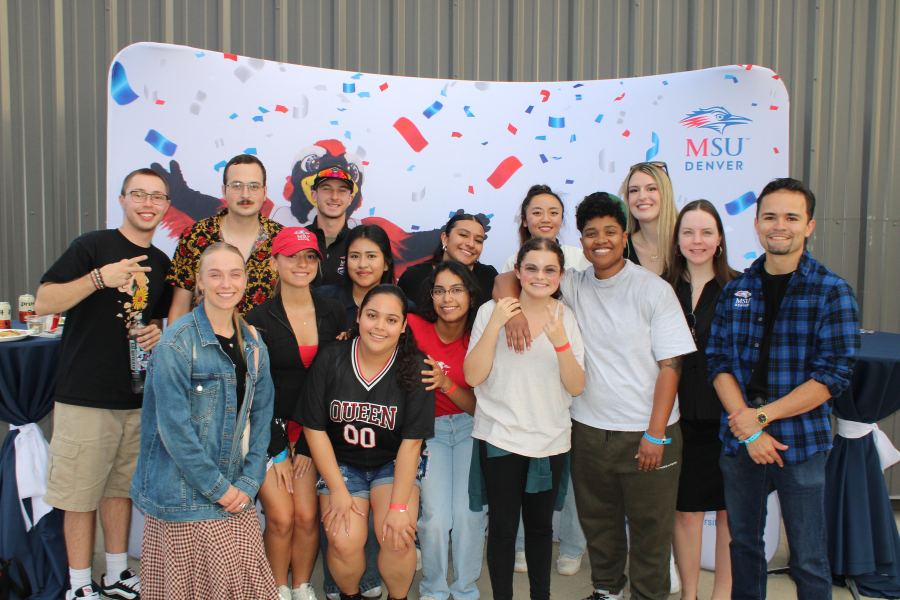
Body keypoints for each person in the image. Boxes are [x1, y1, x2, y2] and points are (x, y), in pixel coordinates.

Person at [494, 192, 695, 600]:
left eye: (609, 232)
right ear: (581, 242)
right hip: (588, 430)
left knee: (650, 531)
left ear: (625, 236)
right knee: (599, 524)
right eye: (590, 234)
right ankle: (607, 590)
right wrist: (510, 310)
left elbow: (672, 367)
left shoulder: (654, 290)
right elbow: (507, 280)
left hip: (648, 432)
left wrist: (656, 434)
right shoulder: (574, 285)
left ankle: (648, 595)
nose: (600, 240)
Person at [707, 178, 860, 600]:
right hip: (741, 442)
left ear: (809, 226)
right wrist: (751, 430)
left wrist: (761, 419)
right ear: (756, 223)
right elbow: (717, 361)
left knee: (810, 558)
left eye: (791, 217)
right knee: (745, 547)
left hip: (801, 443)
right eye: (770, 216)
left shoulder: (832, 292)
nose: (780, 226)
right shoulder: (736, 289)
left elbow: (832, 376)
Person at [35, 168, 174, 600]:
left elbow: (153, 319)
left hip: (135, 397)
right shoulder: (92, 246)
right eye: (139, 195)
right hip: (86, 396)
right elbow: (43, 301)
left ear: (167, 205)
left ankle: (116, 574)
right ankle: (79, 586)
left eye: (157, 197)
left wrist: (156, 331)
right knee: (80, 495)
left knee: (119, 490)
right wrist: (99, 278)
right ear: (122, 199)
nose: (148, 203)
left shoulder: (163, 263)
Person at [130, 242, 276, 599]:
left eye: (234, 274)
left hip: (235, 491)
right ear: (199, 281)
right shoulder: (175, 344)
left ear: (245, 280)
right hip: (184, 496)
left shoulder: (255, 344)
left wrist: (249, 482)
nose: (226, 283)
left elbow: (261, 419)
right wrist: (221, 490)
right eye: (215, 274)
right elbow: (174, 431)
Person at [465, 237, 585, 600]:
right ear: (517, 271)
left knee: (539, 530)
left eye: (550, 270)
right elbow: (472, 376)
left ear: (561, 275)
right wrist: (496, 322)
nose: (539, 276)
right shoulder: (491, 311)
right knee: (501, 529)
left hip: (550, 441)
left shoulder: (567, 318)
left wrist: (561, 342)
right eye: (531, 268)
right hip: (499, 436)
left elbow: (576, 386)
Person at [299, 285, 435, 600]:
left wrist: (399, 507)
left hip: (392, 462)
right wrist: (338, 490)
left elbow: (411, 444)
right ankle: (350, 596)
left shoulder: (417, 365)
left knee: (397, 537)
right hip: (343, 463)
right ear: (359, 316)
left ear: (403, 327)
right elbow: (315, 429)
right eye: (372, 315)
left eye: (391, 320)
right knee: (344, 539)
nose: (379, 326)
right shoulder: (332, 357)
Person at [245, 228, 345, 600]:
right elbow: (256, 390)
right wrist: (277, 448)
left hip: (314, 431)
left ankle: (302, 586)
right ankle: (277, 588)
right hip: (268, 432)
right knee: (282, 517)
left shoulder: (333, 312)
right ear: (274, 262)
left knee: (305, 516)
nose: (301, 264)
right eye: (291, 256)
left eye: (309, 257)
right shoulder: (258, 317)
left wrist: (305, 442)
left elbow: (334, 382)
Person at [500, 184, 589, 576]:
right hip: (533, 378)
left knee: (572, 472)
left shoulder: (578, 257)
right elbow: (504, 284)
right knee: (523, 467)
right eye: (537, 211)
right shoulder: (512, 259)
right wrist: (516, 312)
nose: (546, 218)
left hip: (576, 369)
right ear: (525, 218)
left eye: (554, 211)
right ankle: (521, 544)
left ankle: (571, 546)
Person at [664, 201, 739, 600]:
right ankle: (689, 594)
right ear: (677, 240)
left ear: (720, 239)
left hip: (729, 421)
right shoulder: (661, 287)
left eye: (706, 232)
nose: (697, 241)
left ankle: (722, 594)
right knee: (686, 512)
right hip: (678, 419)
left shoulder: (741, 288)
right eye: (688, 233)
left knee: (730, 515)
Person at [407, 261, 486, 600]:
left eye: (456, 289)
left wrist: (446, 384)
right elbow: (374, 326)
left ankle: (465, 589)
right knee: (436, 519)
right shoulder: (413, 327)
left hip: (471, 427)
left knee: (469, 515)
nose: (447, 298)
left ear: (470, 295)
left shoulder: (480, 335)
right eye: (439, 290)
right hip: (431, 432)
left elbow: (479, 408)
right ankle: (434, 590)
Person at [166, 153, 283, 321]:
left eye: (254, 186)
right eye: (236, 186)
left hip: (265, 344)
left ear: (264, 193)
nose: (245, 194)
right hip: (202, 344)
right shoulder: (195, 236)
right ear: (224, 191)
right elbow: (179, 308)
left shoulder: (281, 238)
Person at [398, 213, 497, 311]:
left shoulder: (490, 276)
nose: (471, 244)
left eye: (478, 240)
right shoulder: (413, 276)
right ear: (445, 239)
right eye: (463, 235)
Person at [317, 224, 400, 328]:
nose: (362, 264)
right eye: (355, 256)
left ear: (386, 264)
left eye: (371, 256)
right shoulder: (323, 298)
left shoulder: (402, 307)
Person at [501, 184, 591, 273]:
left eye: (553, 213)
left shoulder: (579, 257)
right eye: (537, 213)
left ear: (561, 220)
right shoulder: (513, 262)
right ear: (524, 220)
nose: (546, 219)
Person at [618, 161, 677, 276]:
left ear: (666, 193)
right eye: (634, 190)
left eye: (651, 189)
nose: (642, 197)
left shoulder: (686, 244)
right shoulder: (622, 249)